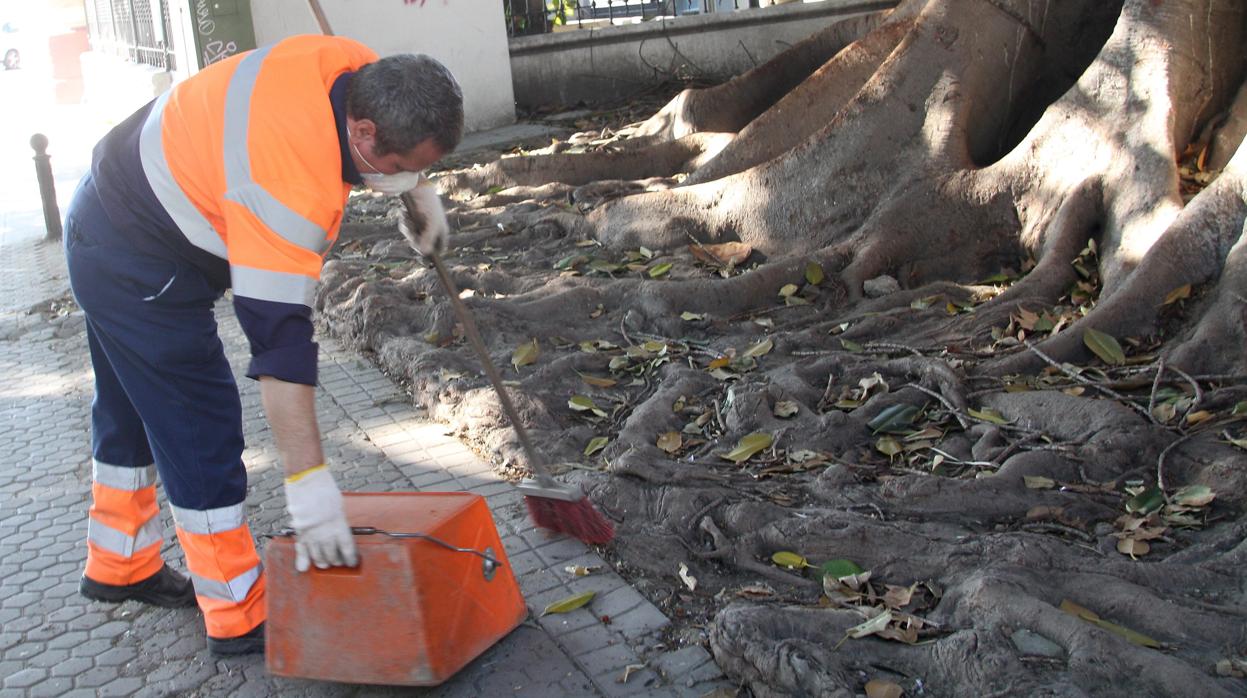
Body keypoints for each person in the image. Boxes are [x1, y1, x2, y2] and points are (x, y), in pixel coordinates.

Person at [64, 34, 462, 656]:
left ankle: (120, 565)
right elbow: (280, 352)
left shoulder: (354, 65)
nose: (409, 176)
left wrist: (418, 194)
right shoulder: (288, 191)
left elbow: (395, 141)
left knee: (128, 406)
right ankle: (237, 609)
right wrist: (308, 481)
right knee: (199, 422)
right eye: (402, 167)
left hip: (110, 201)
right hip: (136, 256)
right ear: (360, 134)